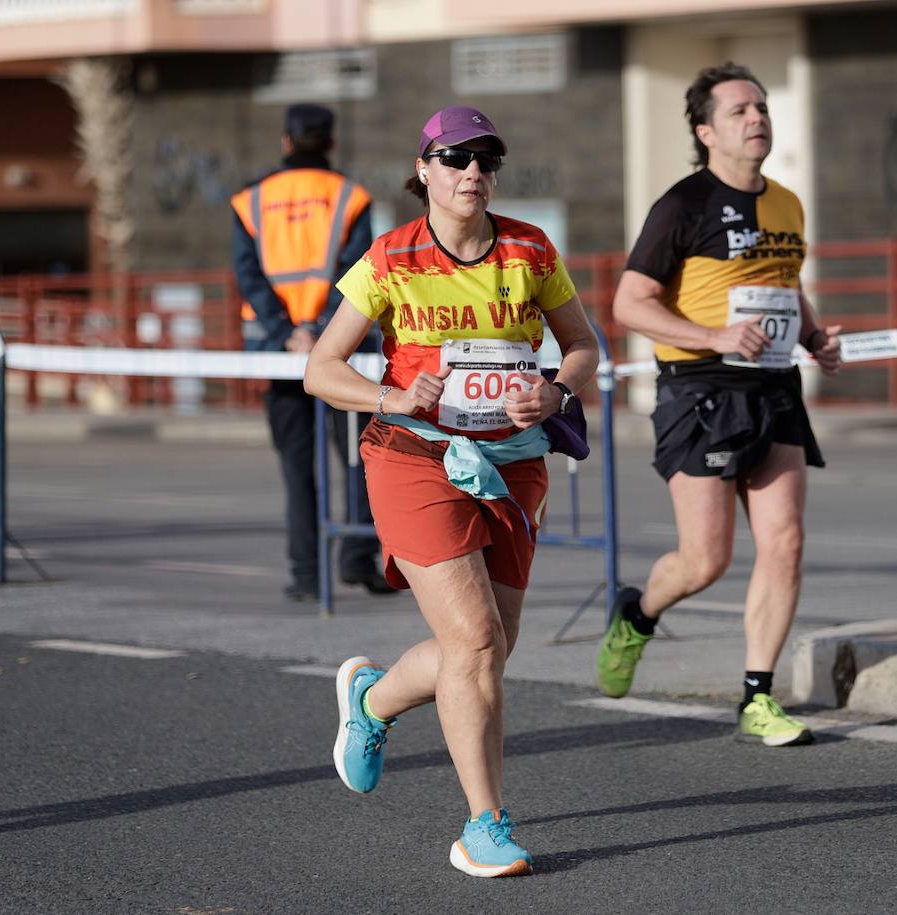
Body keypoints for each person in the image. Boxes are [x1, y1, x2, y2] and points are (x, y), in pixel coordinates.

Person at [304, 106, 598, 877]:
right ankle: (484, 825)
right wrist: (392, 396)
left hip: (515, 459)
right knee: (473, 642)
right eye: (456, 158)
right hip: (416, 455)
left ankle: (371, 700)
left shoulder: (530, 248)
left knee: (491, 646)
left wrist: (556, 394)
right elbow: (320, 368)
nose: (473, 172)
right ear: (425, 169)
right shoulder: (391, 257)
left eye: (486, 159)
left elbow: (582, 346)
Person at [598, 63, 844, 746]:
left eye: (761, 107)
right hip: (700, 392)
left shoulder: (787, 202)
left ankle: (757, 696)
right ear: (706, 131)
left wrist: (817, 336)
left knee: (785, 541)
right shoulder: (683, 205)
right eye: (739, 110)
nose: (756, 117)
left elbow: (783, 284)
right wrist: (712, 335)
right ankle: (637, 613)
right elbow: (628, 304)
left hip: (772, 389)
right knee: (704, 560)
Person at [231, 103, 394, 602]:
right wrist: (322, 329)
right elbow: (358, 274)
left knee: (297, 465)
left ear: (286, 142)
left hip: (277, 350)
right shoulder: (350, 197)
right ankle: (357, 559)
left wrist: (289, 331)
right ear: (330, 142)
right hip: (342, 351)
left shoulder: (250, 201)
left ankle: (306, 574)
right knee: (359, 458)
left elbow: (248, 275)